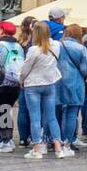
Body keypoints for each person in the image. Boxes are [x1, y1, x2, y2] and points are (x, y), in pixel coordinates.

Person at [18, 21, 71, 160]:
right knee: (51, 117)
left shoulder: (33, 50)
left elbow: (25, 69)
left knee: (35, 117)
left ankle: (37, 149)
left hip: (33, 85)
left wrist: (20, 80)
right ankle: (59, 148)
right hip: (49, 84)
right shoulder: (56, 46)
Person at [0, 21, 24, 152]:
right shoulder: (18, 46)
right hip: (14, 84)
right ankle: (5, 139)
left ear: (1, 31)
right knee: (6, 110)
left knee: (1, 111)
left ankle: (5, 140)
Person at [56, 23, 87, 154]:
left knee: (56, 113)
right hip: (75, 83)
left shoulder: (57, 45)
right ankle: (67, 143)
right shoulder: (80, 48)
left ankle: (54, 140)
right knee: (71, 114)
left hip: (57, 82)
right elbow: (84, 69)